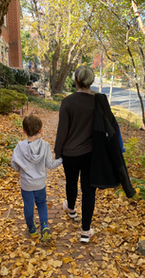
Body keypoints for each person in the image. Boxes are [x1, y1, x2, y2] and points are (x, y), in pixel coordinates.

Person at [54, 65, 96, 243]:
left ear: (76, 81)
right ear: (91, 81)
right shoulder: (98, 102)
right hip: (91, 154)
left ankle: (71, 209)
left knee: (71, 182)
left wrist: (57, 151)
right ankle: (86, 231)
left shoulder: (68, 102)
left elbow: (62, 130)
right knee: (88, 190)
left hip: (70, 154)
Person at [11, 114, 62, 242]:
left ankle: (31, 228)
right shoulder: (45, 146)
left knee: (28, 206)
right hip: (40, 183)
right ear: (40, 130)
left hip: (26, 184)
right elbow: (50, 164)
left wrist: (21, 170)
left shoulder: (19, 147)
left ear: (24, 131)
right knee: (41, 203)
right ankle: (44, 225)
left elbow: (14, 163)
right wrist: (61, 160)